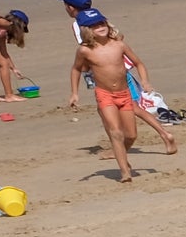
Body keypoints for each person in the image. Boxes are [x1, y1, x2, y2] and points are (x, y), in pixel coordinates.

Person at [75, 10, 177, 179]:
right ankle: (124, 170)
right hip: (103, 92)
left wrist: (145, 82)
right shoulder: (84, 49)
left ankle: (162, 135)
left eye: (102, 23)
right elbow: (78, 68)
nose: (99, 27)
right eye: (95, 25)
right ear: (86, 30)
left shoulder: (118, 44)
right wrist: (74, 93)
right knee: (115, 131)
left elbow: (138, 63)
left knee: (131, 133)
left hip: (123, 87)